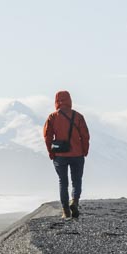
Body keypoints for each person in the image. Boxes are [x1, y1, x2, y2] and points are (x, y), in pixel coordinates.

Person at [43, 90, 90, 219]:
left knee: (63, 182)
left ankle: (66, 211)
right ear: (69, 100)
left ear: (56, 101)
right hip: (77, 154)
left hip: (60, 155)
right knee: (76, 181)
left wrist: (51, 152)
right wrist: (84, 151)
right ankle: (74, 202)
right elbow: (85, 136)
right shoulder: (78, 116)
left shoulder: (52, 117)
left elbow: (47, 136)